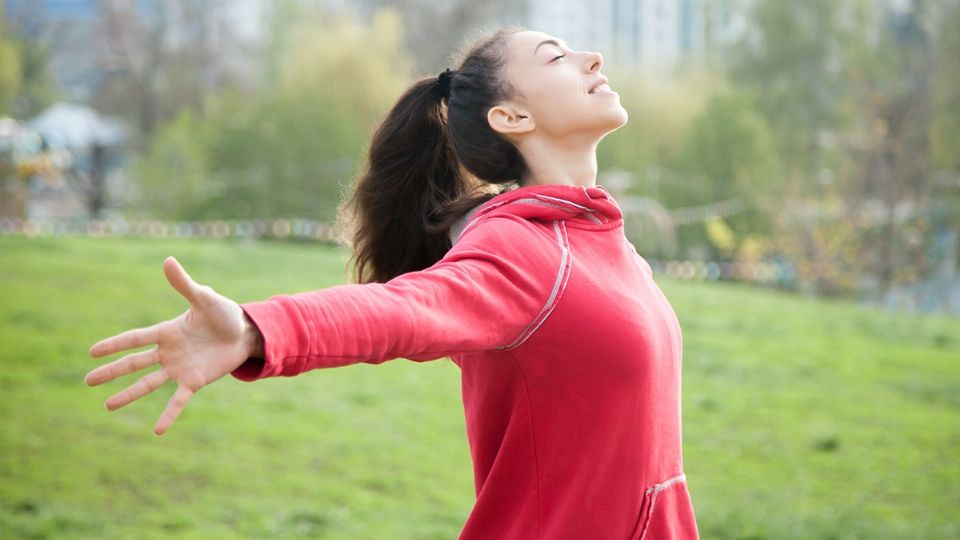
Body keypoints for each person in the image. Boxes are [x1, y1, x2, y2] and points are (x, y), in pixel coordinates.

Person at [84, 26, 701, 539]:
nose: (592, 57)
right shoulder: (525, 250)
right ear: (511, 116)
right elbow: (403, 309)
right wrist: (256, 329)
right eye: (557, 57)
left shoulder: (603, 242)